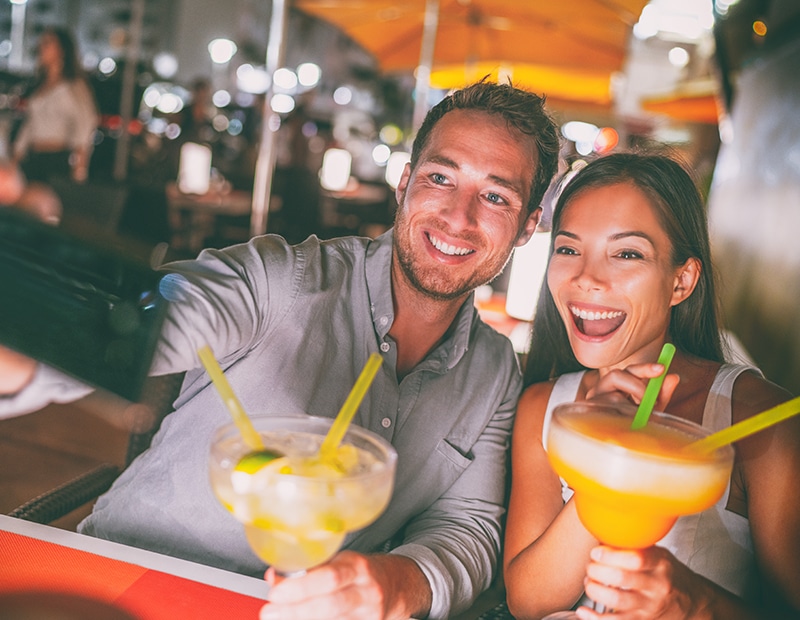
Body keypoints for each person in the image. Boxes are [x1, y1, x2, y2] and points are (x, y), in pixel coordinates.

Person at [0, 79, 561, 620]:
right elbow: (126, 327)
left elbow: (468, 525)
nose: (459, 217)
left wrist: (399, 582)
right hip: (130, 585)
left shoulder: (492, 372)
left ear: (528, 226)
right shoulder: (277, 280)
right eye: (441, 177)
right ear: (405, 182)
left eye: (494, 196)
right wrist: (28, 307)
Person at [503, 152, 800, 619]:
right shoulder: (544, 406)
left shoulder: (757, 422)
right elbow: (529, 600)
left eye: (626, 253)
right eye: (568, 248)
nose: (586, 278)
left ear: (681, 281)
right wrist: (604, 460)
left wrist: (695, 601)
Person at [12, 27, 98, 184]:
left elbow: (84, 124)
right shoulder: (40, 86)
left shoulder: (74, 86)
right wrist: (17, 155)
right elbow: (30, 124)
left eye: (47, 43)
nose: (41, 48)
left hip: (57, 159)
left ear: (62, 50)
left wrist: (79, 168)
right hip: (32, 157)